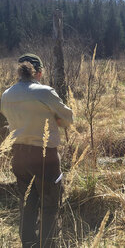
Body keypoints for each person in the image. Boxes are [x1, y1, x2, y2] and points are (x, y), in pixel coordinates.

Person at [1, 53, 73, 247]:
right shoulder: (45, 92)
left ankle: (28, 244)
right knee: (50, 207)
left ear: (19, 72)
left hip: (19, 157)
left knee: (27, 205)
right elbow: (68, 120)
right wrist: (55, 120)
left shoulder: (6, 95)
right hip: (45, 159)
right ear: (39, 73)